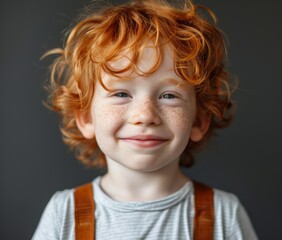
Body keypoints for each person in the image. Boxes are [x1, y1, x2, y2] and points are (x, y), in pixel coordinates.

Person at [33, 0, 258, 239]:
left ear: (198, 121)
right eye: (121, 93)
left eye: (169, 95)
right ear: (86, 117)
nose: (145, 115)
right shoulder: (64, 214)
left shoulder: (224, 215)